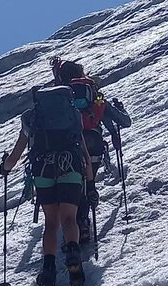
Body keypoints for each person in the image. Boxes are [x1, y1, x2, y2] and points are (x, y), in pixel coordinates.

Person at [0, 73, 93, 286]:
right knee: (69, 218)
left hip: (43, 170)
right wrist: (90, 183)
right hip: (70, 167)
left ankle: (49, 269)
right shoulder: (73, 114)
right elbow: (83, 151)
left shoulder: (31, 118)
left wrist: (5, 168)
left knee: (51, 223)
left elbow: (16, 154)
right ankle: (73, 256)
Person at [49, 58, 132, 243]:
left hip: (69, 146)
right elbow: (124, 122)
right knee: (88, 182)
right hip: (93, 142)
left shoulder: (61, 97)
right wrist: (120, 109)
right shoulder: (93, 93)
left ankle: (77, 224)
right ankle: (83, 223)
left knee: (73, 185)